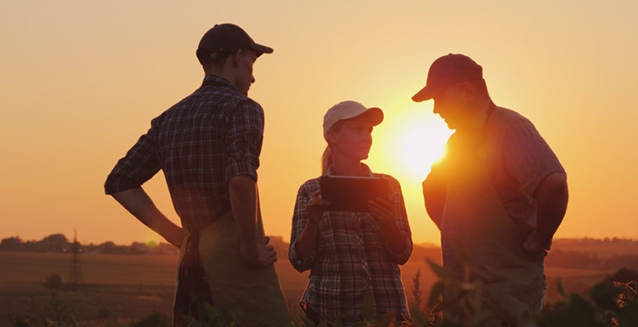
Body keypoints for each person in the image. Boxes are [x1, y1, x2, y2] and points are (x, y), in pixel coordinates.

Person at [104, 23, 290, 327]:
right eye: (252, 64)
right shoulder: (241, 108)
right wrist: (249, 247)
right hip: (235, 268)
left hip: (191, 269)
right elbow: (241, 180)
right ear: (238, 57)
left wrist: (176, 235)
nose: (253, 76)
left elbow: (120, 181)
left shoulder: (168, 119)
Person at [412, 54, 569, 323]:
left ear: (467, 91)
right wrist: (455, 233)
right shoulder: (455, 142)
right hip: (462, 296)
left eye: (439, 98)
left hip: (507, 297)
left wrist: (540, 240)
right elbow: (432, 190)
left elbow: (553, 185)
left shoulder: (511, 129)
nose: (436, 109)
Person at [289, 101, 414, 326]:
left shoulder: (389, 186)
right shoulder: (309, 191)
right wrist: (312, 223)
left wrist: (387, 223)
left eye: (369, 130)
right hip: (330, 313)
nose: (367, 137)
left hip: (386, 313)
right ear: (332, 136)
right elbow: (299, 261)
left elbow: (403, 253)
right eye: (358, 130)